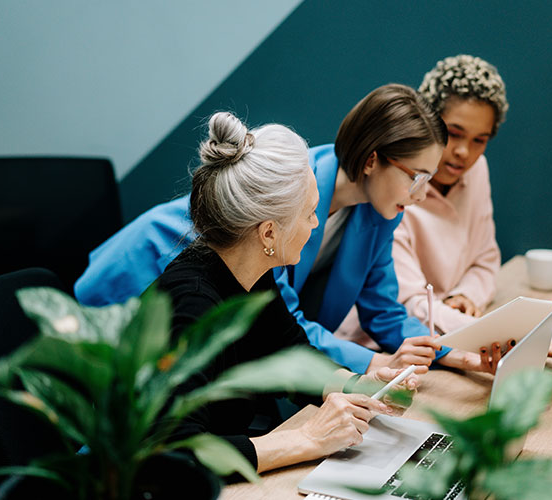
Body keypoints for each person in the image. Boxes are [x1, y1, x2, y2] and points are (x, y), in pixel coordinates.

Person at [75, 84, 503, 375]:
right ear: (373, 160)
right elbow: (288, 320)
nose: (421, 194)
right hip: (145, 273)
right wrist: (373, 366)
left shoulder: (379, 212)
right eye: (417, 177)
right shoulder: (292, 201)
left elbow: (384, 311)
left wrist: (456, 355)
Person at [162, 111, 418, 473]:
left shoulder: (253, 274)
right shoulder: (191, 303)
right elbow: (175, 452)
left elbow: (293, 355)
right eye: (310, 213)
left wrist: (363, 386)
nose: (316, 224)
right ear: (268, 233)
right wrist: (308, 438)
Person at [336, 55, 552, 359]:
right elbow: (405, 304)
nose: (464, 153)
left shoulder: (477, 172)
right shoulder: (392, 191)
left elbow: (486, 258)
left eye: (480, 140)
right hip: (381, 346)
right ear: (428, 124)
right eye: (453, 134)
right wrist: (503, 335)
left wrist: (464, 295)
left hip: (444, 333)